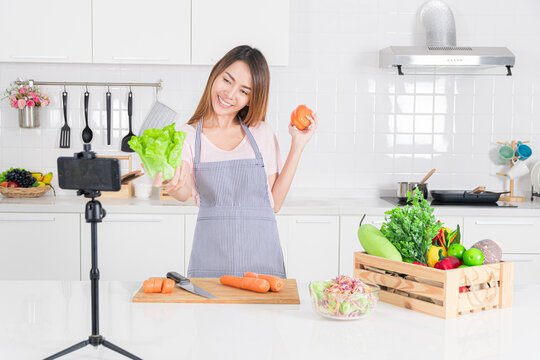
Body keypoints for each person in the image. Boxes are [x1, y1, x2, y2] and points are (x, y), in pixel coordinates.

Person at [153, 45, 317, 278]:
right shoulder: (187, 135)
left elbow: (275, 202)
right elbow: (184, 191)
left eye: (244, 91)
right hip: (211, 262)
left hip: (263, 263)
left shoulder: (261, 133)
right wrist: (174, 183)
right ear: (215, 76)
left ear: (252, 99)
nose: (230, 94)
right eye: (227, 80)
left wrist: (298, 145)